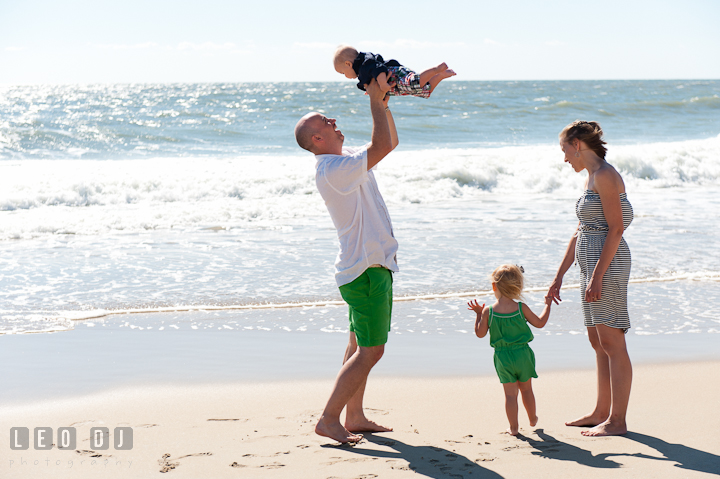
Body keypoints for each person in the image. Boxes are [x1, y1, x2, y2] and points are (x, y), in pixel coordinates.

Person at [293, 79, 399, 444]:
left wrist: (383, 101)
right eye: (325, 121)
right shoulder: (334, 170)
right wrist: (373, 99)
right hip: (367, 271)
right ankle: (328, 418)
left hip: (364, 268)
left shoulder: (342, 161)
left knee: (358, 346)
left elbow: (388, 142)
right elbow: (384, 145)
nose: (333, 120)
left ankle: (354, 416)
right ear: (317, 139)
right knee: (372, 351)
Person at [547, 120, 634, 437]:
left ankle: (618, 420)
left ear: (577, 145)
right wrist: (559, 276)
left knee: (612, 340)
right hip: (591, 267)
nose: (565, 158)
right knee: (597, 342)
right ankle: (601, 411)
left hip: (607, 266)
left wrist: (596, 277)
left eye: (565, 150)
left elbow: (616, 229)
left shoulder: (606, 176)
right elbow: (581, 230)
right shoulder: (591, 178)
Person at [468, 264, 552, 436]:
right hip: (523, 354)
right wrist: (548, 305)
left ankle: (513, 428)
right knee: (527, 389)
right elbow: (540, 323)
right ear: (517, 287)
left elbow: (480, 334)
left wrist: (477, 314)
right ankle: (532, 418)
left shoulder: (488, 311)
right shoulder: (521, 308)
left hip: (502, 357)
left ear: (494, 286)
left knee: (510, 395)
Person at [334, 44, 455, 98]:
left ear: (348, 64)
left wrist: (383, 84)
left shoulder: (365, 64)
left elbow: (378, 69)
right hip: (397, 85)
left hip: (396, 76)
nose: (345, 76)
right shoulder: (362, 70)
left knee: (415, 81)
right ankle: (440, 75)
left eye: (343, 73)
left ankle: (436, 69)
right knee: (424, 91)